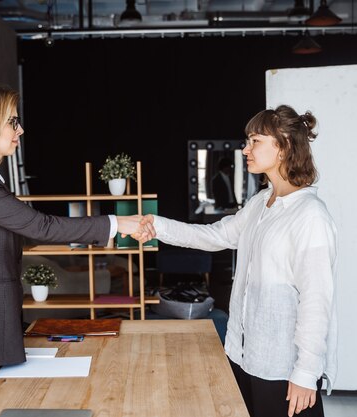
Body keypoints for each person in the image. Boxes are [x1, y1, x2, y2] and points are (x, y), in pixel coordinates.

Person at [0, 83, 151, 417]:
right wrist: (117, 224)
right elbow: (40, 227)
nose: (21, 129)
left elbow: (28, 234)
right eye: (12, 121)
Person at [141, 105, 337, 417]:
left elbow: (316, 300)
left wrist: (306, 373)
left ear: (284, 145)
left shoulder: (310, 215)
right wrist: (157, 226)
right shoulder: (261, 203)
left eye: (254, 141)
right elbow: (214, 236)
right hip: (245, 355)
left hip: (282, 369)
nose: (245, 149)